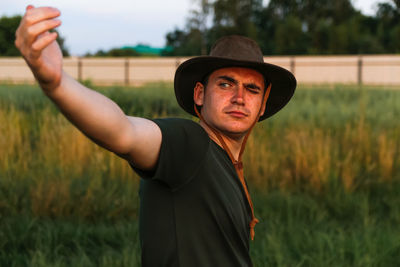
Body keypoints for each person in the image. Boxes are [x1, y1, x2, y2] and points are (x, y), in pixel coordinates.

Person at [15, 5, 296, 267]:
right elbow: (124, 131)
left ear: (262, 106)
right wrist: (57, 82)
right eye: (226, 84)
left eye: (252, 89)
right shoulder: (190, 143)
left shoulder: (228, 162)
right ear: (199, 94)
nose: (239, 98)